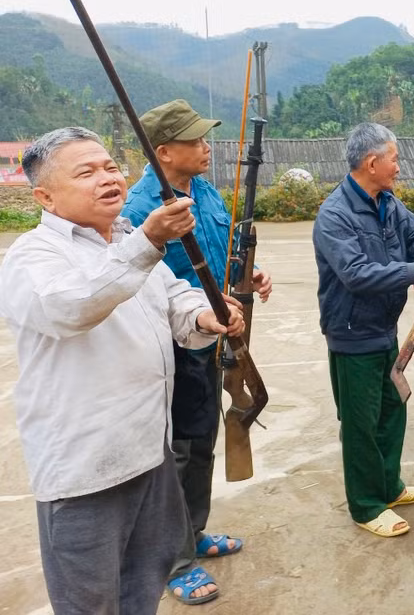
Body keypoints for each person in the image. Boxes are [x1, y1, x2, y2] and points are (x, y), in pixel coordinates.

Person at [0, 127, 243, 614]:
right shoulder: (32, 256)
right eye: (85, 172)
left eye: (110, 166)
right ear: (45, 196)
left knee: (142, 588)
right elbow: (72, 306)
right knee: (90, 602)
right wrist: (149, 241)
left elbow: (174, 298)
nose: (107, 178)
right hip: (87, 471)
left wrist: (203, 314)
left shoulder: (129, 239)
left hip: (150, 454)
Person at [122, 99, 272, 604]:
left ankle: (194, 532)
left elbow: (221, 246)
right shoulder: (139, 211)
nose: (207, 147)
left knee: (203, 441)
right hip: (174, 347)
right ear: (163, 152)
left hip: (212, 336)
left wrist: (248, 276)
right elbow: (147, 287)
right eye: (195, 140)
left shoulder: (204, 191)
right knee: (178, 452)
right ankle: (174, 559)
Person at [313, 122, 414, 537]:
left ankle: (388, 486)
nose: (398, 167)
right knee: (361, 423)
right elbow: (356, 274)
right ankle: (366, 506)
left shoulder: (386, 202)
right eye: (394, 158)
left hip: (384, 328)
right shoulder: (335, 215)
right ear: (372, 162)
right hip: (352, 333)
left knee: (391, 410)